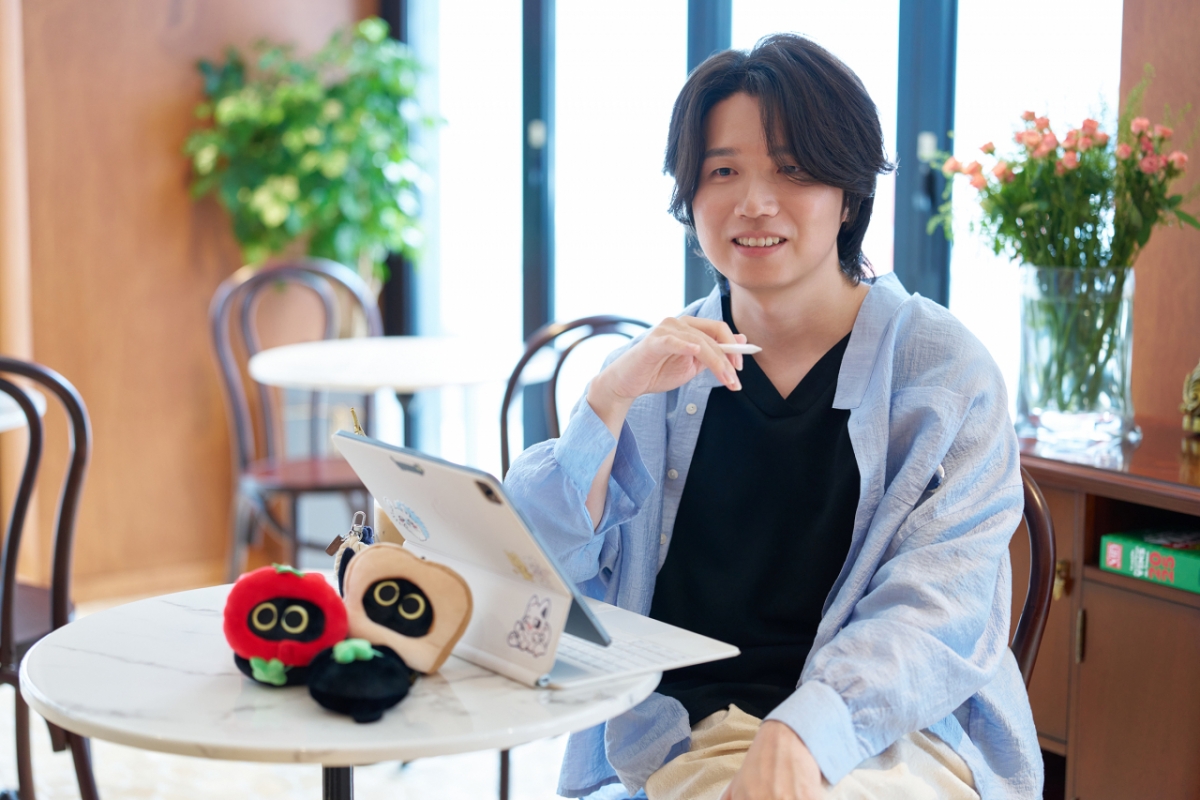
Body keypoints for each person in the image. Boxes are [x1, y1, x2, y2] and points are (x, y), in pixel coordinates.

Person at [504, 34, 1040, 800]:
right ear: (689, 196)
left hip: (897, 735)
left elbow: (936, 611)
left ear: (849, 194)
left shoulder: (943, 372)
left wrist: (808, 726)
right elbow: (540, 577)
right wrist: (607, 400)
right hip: (697, 734)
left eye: (792, 169)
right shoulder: (658, 370)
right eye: (722, 171)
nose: (754, 203)